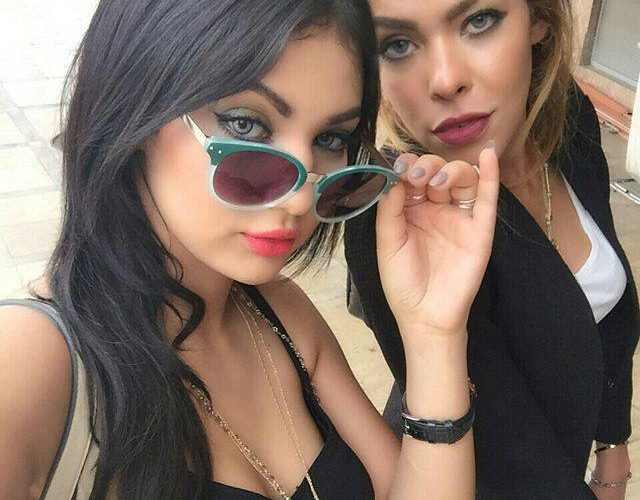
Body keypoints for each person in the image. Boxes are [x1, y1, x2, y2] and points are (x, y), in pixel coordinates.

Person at [0, 0, 501, 498]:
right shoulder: (28, 364)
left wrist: (434, 334)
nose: (301, 198)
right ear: (136, 109)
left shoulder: (280, 314)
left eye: (330, 138)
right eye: (246, 125)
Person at [345, 0, 640, 499]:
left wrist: (613, 446)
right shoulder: (393, 221)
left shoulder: (566, 120)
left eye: (478, 21)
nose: (445, 80)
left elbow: (612, 308)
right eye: (396, 45)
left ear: (539, 19)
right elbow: (512, 464)